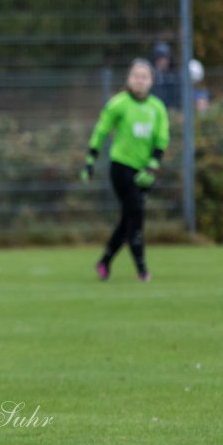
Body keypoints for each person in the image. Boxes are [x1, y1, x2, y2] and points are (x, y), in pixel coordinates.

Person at [79, 58, 170, 282]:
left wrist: (152, 167)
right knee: (136, 213)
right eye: (136, 76)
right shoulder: (118, 103)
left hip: (145, 170)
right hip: (121, 168)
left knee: (128, 220)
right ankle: (142, 270)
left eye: (144, 77)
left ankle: (105, 261)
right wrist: (90, 160)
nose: (140, 81)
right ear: (129, 79)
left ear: (151, 81)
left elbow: (162, 138)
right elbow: (101, 131)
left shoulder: (156, 107)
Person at [150, 41, 180, 109]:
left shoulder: (174, 76)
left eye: (165, 58)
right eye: (160, 59)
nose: (163, 61)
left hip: (171, 109)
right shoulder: (151, 76)